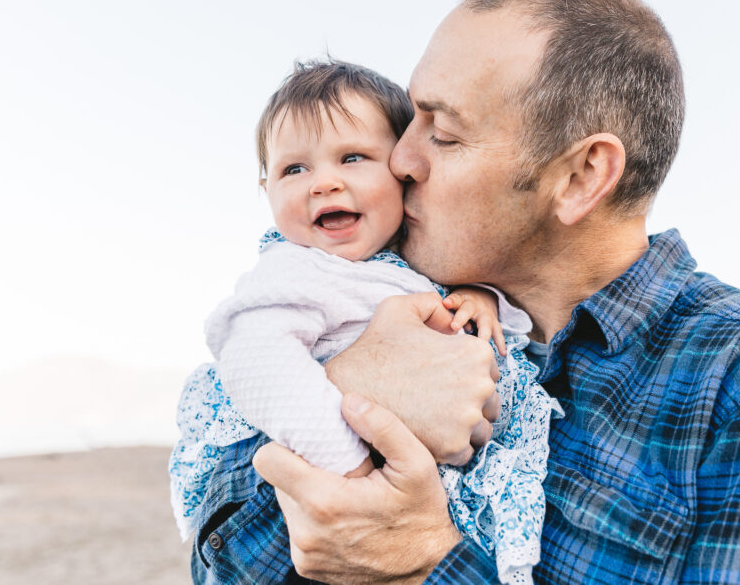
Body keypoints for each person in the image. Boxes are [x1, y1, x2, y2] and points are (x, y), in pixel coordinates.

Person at [190, 0, 740, 584]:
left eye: (441, 132)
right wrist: (349, 387)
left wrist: (422, 560)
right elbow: (216, 560)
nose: (398, 160)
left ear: (581, 176)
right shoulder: (376, 312)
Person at [170, 60, 561, 584]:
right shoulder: (297, 270)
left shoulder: (415, 262)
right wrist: (351, 468)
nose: (324, 183)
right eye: (294, 170)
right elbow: (260, 366)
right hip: (333, 492)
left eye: (352, 158)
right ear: (266, 189)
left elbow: (511, 326)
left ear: (401, 170)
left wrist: (478, 297)